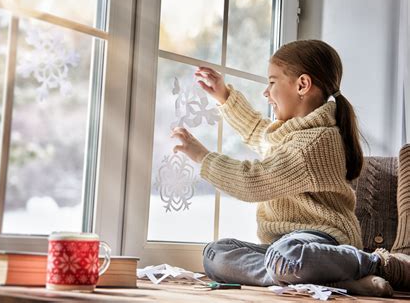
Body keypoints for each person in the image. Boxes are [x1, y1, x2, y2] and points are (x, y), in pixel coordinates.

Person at [171, 40, 410, 297]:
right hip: (281, 247)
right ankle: (332, 281)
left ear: (302, 85)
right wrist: (224, 96)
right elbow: (257, 132)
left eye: (272, 82)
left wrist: (203, 157)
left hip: (322, 242)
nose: (266, 92)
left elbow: (254, 181)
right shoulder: (290, 134)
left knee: (286, 256)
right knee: (215, 254)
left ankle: (375, 264)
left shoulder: (317, 142)